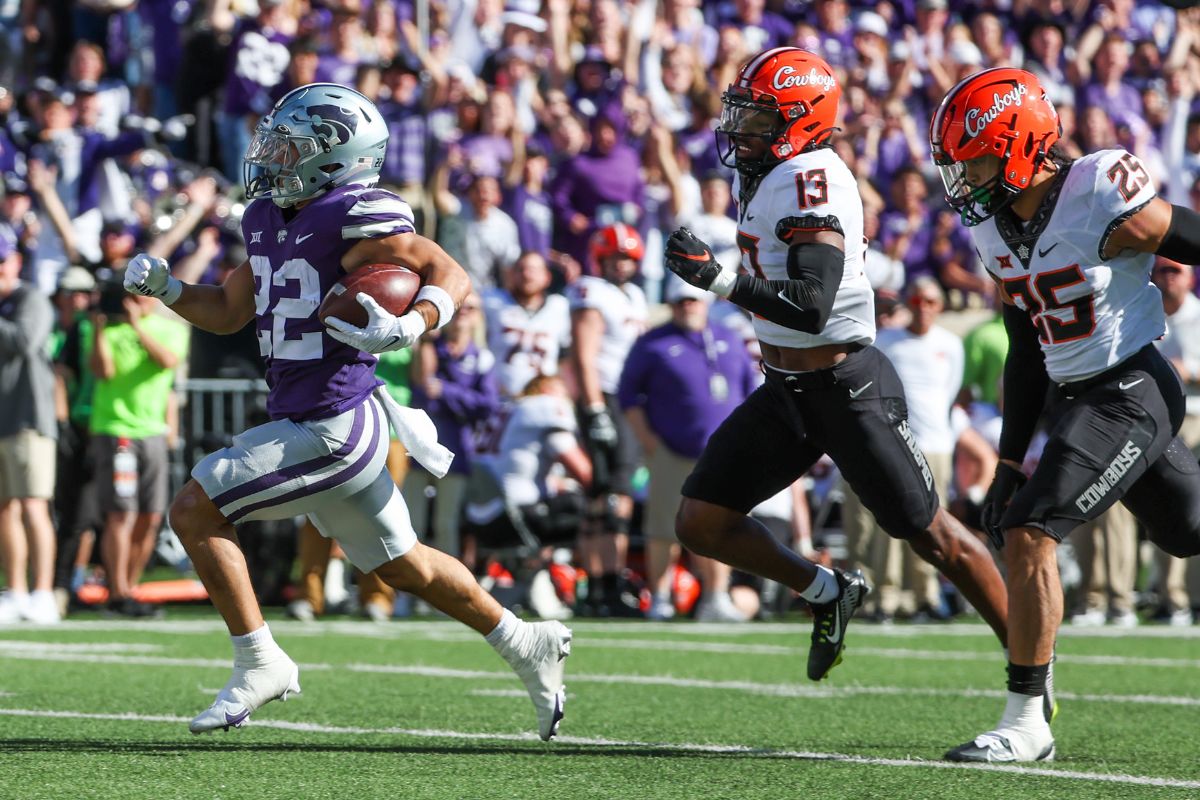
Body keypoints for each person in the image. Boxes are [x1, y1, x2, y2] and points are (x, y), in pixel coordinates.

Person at [122, 83, 570, 740]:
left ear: (337, 159)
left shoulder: (355, 212)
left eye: (288, 146)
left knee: (195, 508)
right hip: (320, 419)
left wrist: (413, 323)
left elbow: (447, 272)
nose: (271, 156)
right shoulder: (266, 218)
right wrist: (168, 289)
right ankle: (524, 640)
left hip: (332, 424)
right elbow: (226, 309)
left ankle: (259, 660)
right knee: (403, 565)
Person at [663, 48, 1009, 683]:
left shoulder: (808, 177)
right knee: (702, 521)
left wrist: (714, 280)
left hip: (848, 386)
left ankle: (1032, 667)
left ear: (802, 121)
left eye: (760, 119)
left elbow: (811, 307)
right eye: (740, 114)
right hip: (788, 389)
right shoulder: (771, 169)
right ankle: (828, 591)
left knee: (934, 536)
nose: (742, 131)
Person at [930, 67, 1200, 762]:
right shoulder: (996, 230)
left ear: (1019, 145)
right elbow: (1025, 347)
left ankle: (1027, 722)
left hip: (1134, 385)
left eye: (977, 159)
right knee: (1189, 531)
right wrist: (1010, 460)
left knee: (1030, 529)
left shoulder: (1097, 186)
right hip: (1076, 395)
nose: (965, 178)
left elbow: (1189, 237)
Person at [617, 277, 758, 622]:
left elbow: (751, 391)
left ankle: (715, 596)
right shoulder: (653, 342)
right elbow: (627, 395)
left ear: (706, 303)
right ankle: (661, 596)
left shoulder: (728, 339)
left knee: (720, 527)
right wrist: (648, 439)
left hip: (723, 453)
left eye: (692, 301)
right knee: (663, 527)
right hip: (671, 449)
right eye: (680, 302)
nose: (687, 307)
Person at [90, 280, 190, 618]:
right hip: (116, 430)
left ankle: (128, 588)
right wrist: (100, 330)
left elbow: (167, 361)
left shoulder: (169, 328)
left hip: (153, 434)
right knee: (121, 513)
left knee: (150, 516)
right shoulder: (109, 330)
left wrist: (137, 327)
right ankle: (116, 591)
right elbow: (101, 371)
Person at [566, 223, 648, 616]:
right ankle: (601, 582)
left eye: (626, 258)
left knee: (615, 495)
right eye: (615, 258)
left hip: (629, 401)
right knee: (605, 495)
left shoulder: (635, 296)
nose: (621, 265)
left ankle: (608, 582)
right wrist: (595, 407)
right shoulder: (592, 291)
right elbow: (585, 354)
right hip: (605, 397)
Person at [0, 224, 60, 624]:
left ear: (17, 261)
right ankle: (15, 591)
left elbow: (23, 341)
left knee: (34, 506)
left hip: (28, 419)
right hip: (2, 420)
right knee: (4, 508)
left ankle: (43, 593)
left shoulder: (31, 297)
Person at [1150, 257, 1200, 626]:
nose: (1167, 278)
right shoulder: (1144, 308)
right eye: (1161, 269)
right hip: (1154, 416)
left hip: (1194, 413)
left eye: (1175, 270)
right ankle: (1168, 595)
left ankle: (1189, 596)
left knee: (1187, 503)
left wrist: (1190, 371)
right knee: (1165, 505)